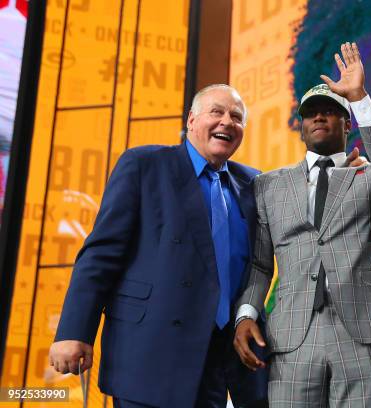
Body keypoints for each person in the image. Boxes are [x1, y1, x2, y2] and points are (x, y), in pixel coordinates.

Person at [48, 85, 269, 408]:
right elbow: (101, 254)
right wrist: (74, 331)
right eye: (216, 112)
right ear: (192, 120)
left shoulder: (253, 183)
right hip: (151, 354)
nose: (227, 122)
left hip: (219, 360)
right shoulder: (144, 164)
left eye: (236, 117)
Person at [233, 42, 371, 407]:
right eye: (311, 112)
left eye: (330, 110)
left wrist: (359, 97)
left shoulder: (370, 177)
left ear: (348, 123)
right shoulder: (269, 184)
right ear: (300, 125)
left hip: (361, 333)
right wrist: (246, 313)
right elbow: (261, 262)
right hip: (293, 335)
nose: (319, 117)